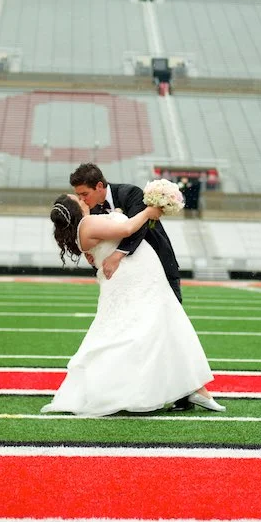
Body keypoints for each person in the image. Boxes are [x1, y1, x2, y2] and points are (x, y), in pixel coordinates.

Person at [43, 193, 225, 417]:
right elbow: (127, 230)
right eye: (79, 199)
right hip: (136, 282)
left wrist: (117, 214)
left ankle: (195, 389)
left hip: (139, 279)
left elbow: (116, 229)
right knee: (154, 331)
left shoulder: (88, 225)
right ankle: (182, 390)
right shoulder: (87, 223)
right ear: (75, 208)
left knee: (158, 330)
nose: (84, 200)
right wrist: (149, 212)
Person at [69, 162, 191, 410]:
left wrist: (118, 254)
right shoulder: (91, 212)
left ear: (100, 186)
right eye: (79, 195)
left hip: (159, 268)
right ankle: (139, 390)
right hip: (130, 281)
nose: (83, 199)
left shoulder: (131, 193)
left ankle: (185, 392)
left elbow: (139, 228)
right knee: (136, 334)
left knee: (169, 323)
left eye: (85, 194)